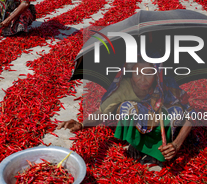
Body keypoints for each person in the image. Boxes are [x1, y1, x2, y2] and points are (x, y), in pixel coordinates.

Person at [58, 54, 195, 164]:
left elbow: (191, 114)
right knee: (126, 107)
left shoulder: (166, 84)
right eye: (137, 73)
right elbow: (102, 112)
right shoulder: (124, 87)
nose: (142, 79)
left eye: (148, 73)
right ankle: (135, 142)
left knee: (176, 111)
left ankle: (162, 146)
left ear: (156, 73)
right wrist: (82, 125)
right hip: (143, 118)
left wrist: (177, 144)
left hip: (159, 123)